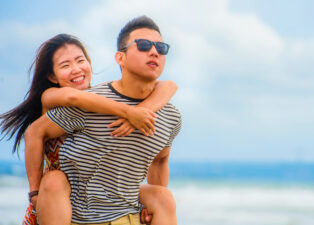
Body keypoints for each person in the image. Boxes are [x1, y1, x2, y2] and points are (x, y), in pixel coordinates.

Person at [0, 33, 177, 224]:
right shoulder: (51, 96)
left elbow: (168, 86)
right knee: (55, 179)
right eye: (65, 65)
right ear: (52, 75)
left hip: (100, 190)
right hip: (58, 193)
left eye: (80, 61)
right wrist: (34, 193)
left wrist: (151, 103)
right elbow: (74, 99)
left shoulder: (100, 99)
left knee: (161, 197)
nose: (76, 69)